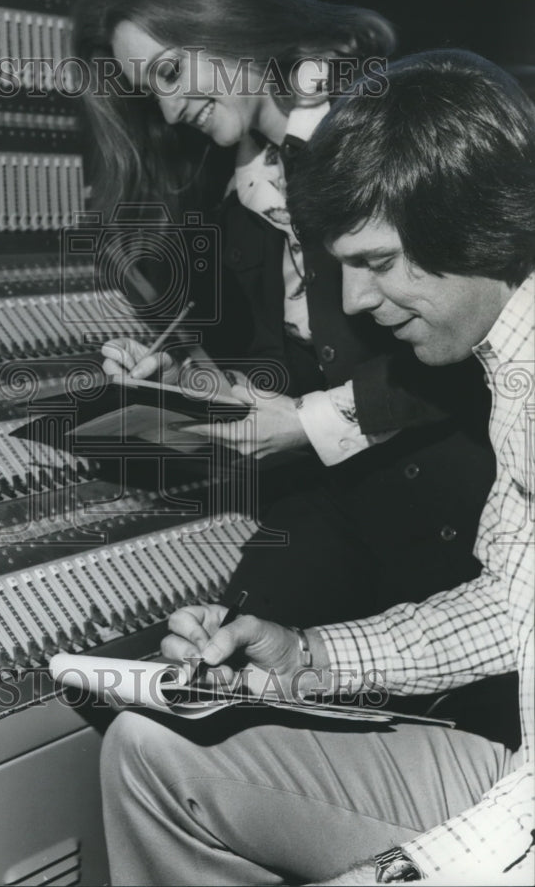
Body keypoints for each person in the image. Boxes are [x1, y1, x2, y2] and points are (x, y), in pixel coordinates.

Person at [100, 50, 535, 885]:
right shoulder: (507, 360)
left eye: (375, 263)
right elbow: (507, 606)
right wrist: (309, 656)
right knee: (149, 748)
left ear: (475, 220)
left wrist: (397, 873)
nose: (360, 303)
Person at [73, 0, 497, 646]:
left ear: (224, 15)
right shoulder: (235, 198)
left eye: (171, 74)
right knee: (183, 680)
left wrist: (310, 423)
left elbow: (490, 333)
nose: (169, 111)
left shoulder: (396, 120)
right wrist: (182, 383)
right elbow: (285, 383)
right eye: (151, 93)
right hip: (345, 520)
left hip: (477, 534)